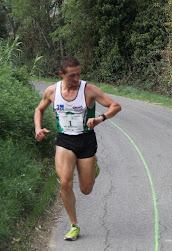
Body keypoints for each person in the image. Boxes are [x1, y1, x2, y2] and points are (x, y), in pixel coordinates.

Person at [34, 56, 121, 241]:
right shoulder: (52, 91)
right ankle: (74, 225)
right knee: (65, 181)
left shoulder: (88, 89)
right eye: (72, 76)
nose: (76, 79)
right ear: (61, 74)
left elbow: (115, 106)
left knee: (86, 189)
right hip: (64, 140)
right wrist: (38, 128)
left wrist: (100, 118)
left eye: (78, 74)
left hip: (86, 141)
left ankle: (93, 166)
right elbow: (39, 110)